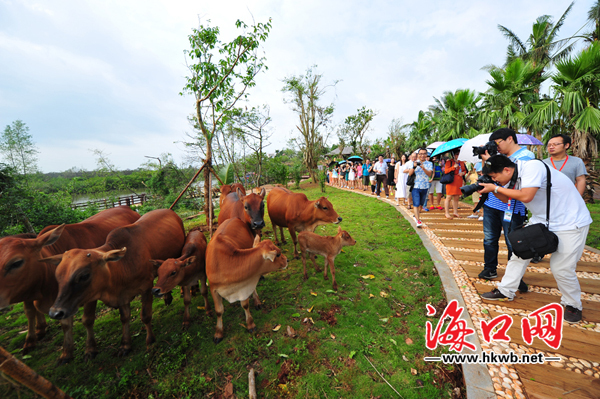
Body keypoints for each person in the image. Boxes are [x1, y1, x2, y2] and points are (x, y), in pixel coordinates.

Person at [478, 155, 592, 323]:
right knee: (519, 252)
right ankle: (506, 290)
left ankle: (573, 304)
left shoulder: (532, 167)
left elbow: (526, 196)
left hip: (570, 222)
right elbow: (508, 198)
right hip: (542, 219)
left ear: (507, 170)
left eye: (495, 177)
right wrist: (491, 189)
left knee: (561, 267)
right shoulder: (511, 177)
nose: (495, 180)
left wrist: (495, 188)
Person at [479, 128, 535, 283]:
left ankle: (515, 278)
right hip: (492, 202)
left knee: (513, 242)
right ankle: (490, 268)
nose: (496, 147)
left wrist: (493, 158)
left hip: (512, 206)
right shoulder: (499, 155)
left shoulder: (526, 156)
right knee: (490, 239)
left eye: (498, 143)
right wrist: (487, 159)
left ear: (510, 139)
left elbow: (512, 179)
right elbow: (487, 174)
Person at [408, 148, 432, 227]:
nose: (422, 155)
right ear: (418, 155)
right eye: (421, 154)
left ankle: (416, 215)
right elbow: (410, 174)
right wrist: (414, 167)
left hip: (425, 186)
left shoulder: (429, 164)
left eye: (424, 153)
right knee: (416, 204)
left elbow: (429, 174)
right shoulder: (414, 163)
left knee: (421, 204)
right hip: (416, 186)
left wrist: (423, 168)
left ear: (426, 155)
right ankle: (418, 220)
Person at [444, 149, 466, 219]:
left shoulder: (461, 162)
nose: (458, 156)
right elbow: (446, 171)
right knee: (449, 197)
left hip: (459, 180)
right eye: (457, 154)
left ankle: (455, 212)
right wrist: (453, 167)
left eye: (459, 154)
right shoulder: (449, 162)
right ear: (454, 155)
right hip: (451, 180)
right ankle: (446, 213)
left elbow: (465, 170)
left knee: (456, 197)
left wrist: (463, 173)